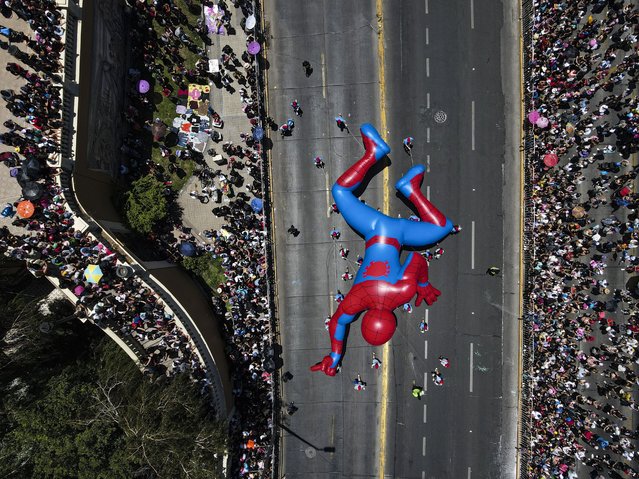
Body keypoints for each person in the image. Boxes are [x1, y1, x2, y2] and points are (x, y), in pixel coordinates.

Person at [311, 124, 454, 376]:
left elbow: (417, 258)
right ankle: (373, 155)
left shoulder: (401, 293)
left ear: (394, 322)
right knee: (340, 191)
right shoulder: (356, 300)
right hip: (374, 230)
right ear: (363, 319)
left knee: (442, 227)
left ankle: (411, 190)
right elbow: (338, 323)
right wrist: (334, 355)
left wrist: (421, 285)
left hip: (398, 234)